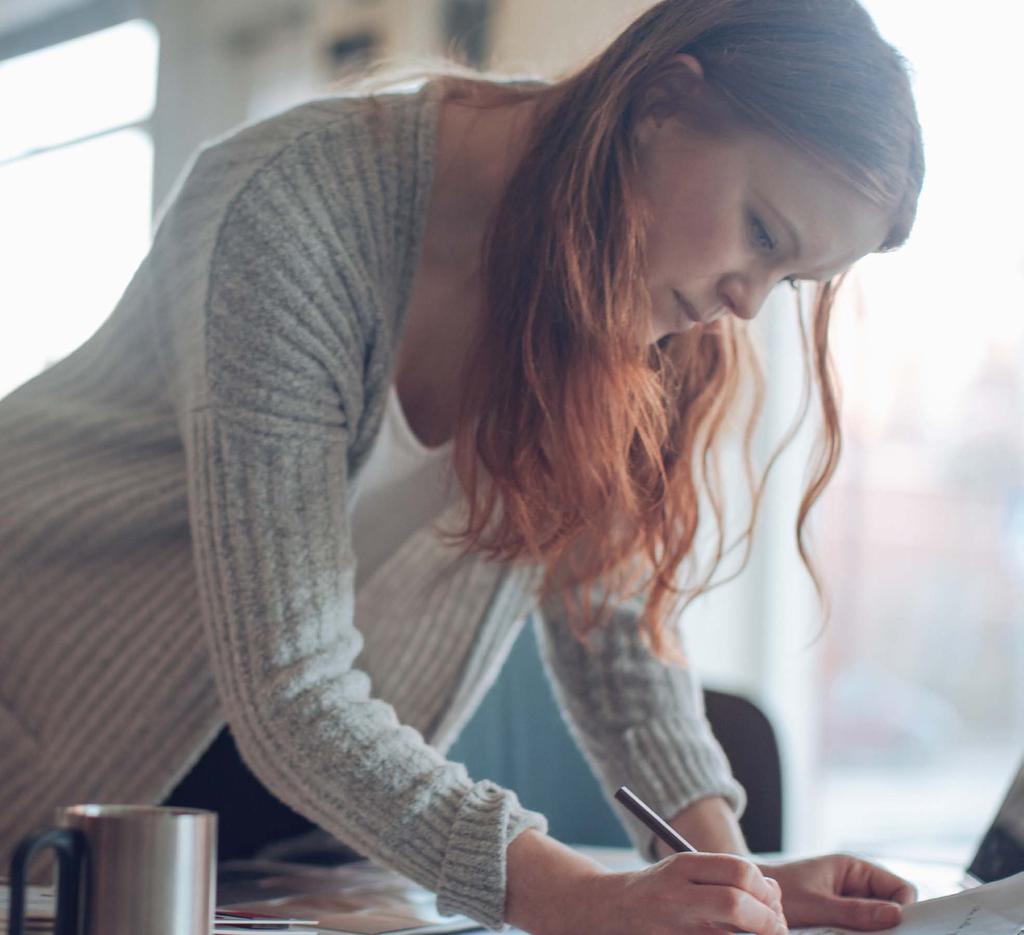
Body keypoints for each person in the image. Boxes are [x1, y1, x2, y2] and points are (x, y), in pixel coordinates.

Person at [0, 0, 925, 932]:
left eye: (791, 276)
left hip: (269, 844)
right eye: (762, 232)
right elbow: (292, 686)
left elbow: (612, 636)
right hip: (38, 747)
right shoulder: (296, 205)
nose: (747, 301)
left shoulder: (651, 300)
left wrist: (732, 877)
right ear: (660, 101)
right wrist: (572, 896)